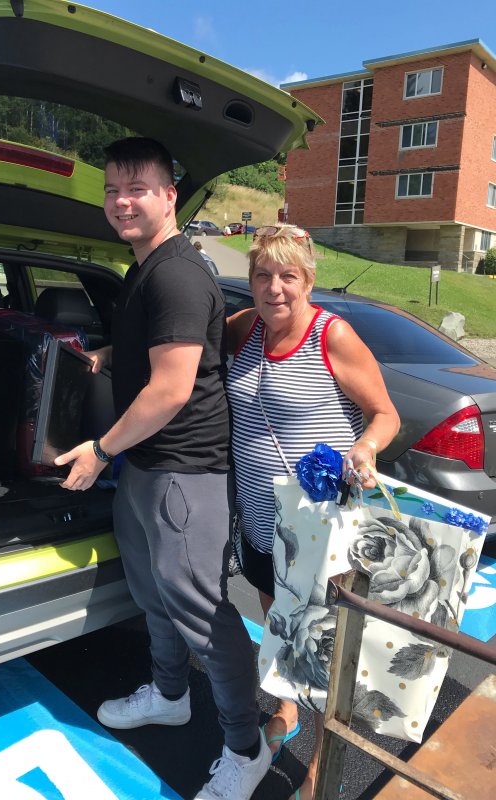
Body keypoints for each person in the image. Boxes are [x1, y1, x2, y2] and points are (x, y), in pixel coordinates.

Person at [54, 137, 271, 800]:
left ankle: (246, 745)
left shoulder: (176, 272)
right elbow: (155, 355)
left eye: (137, 188)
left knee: (205, 614)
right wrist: (103, 357)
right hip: (148, 468)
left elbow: (173, 388)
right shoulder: (143, 270)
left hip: (185, 473)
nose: (122, 201)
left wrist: (101, 449)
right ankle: (170, 695)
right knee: (154, 597)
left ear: (169, 196)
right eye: (112, 190)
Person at [225, 224, 400, 800]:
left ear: (309, 280)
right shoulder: (246, 328)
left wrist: (366, 447)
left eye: (288, 276)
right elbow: (179, 343)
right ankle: (285, 710)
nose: (274, 289)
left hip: (319, 528)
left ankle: (325, 764)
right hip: (258, 520)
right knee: (279, 626)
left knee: (323, 648)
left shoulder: (333, 335)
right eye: (262, 275)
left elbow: (384, 414)